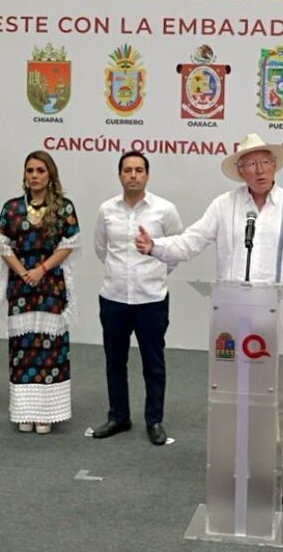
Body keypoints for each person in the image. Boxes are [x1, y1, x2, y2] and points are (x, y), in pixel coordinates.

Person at [136, 133, 283, 496]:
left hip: (277, 318)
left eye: (265, 162)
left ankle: (271, 473)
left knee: (274, 400)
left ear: (275, 165)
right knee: (233, 399)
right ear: (240, 171)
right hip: (232, 320)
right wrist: (155, 246)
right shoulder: (224, 205)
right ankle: (233, 470)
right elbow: (190, 241)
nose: (259, 170)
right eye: (250, 164)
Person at [92, 151, 183, 445]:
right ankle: (119, 416)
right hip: (114, 298)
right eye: (128, 170)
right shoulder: (106, 210)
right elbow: (101, 249)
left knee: (153, 363)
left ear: (147, 175)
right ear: (119, 175)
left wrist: (153, 272)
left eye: (139, 170)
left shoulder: (164, 210)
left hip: (151, 299)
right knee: (114, 361)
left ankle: (154, 420)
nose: (133, 175)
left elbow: (174, 249)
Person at [0, 151, 80, 434]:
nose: (34, 176)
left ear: (50, 175)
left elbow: (69, 244)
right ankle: (24, 411)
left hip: (51, 284)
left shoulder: (64, 208)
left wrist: (41, 269)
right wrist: (22, 272)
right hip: (20, 286)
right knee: (22, 348)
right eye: (30, 170)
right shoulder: (12, 208)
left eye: (40, 170)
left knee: (51, 347)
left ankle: (47, 413)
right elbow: (2, 244)